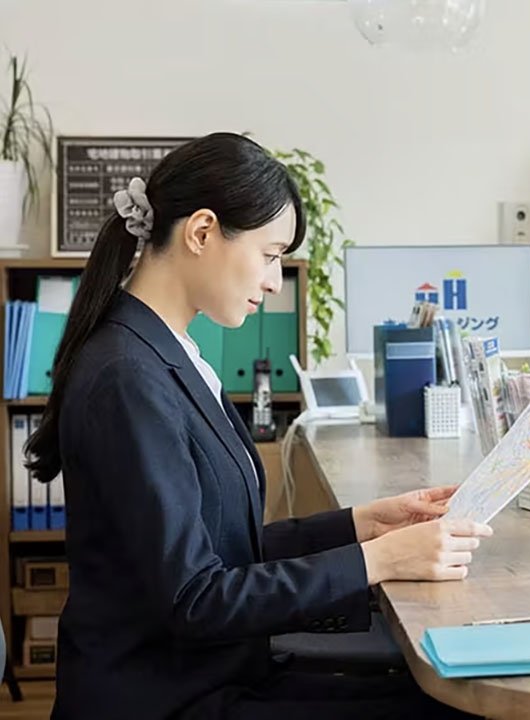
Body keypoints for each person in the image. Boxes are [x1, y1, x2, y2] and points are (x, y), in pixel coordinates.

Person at [25, 133, 490, 720]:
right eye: (270, 255)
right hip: (169, 699)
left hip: (217, 673)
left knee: (446, 696)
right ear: (201, 233)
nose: (274, 280)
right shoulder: (128, 376)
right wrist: (382, 561)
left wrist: (362, 526)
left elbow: (219, 549)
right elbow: (195, 597)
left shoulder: (168, 352)